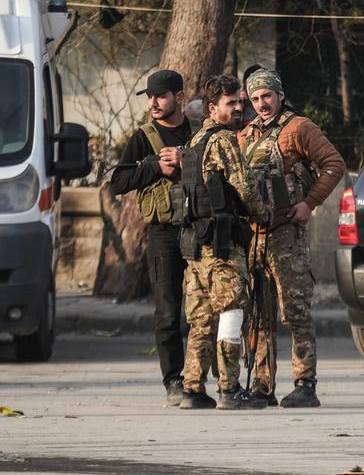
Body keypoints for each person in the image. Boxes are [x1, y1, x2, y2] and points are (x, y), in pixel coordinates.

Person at [241, 68, 346, 408]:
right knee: (259, 313)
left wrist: (309, 203)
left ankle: (305, 383)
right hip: (256, 237)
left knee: (295, 312)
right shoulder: (247, 134)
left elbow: (333, 164)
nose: (262, 104)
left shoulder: (299, 128)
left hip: (287, 235)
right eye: (255, 99)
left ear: (280, 95)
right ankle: (262, 384)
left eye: (267, 96)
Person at [177, 75, 271, 410]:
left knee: (201, 320)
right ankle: (230, 390)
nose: (238, 108)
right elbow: (243, 186)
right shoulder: (222, 141)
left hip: (195, 247)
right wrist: (265, 213)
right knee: (231, 311)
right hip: (220, 245)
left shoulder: (195, 141)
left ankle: (192, 388)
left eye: (240, 102)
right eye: (231, 103)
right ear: (212, 107)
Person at [110, 69, 195, 406]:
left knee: (206, 308)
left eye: (160, 95)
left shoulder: (198, 133)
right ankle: (173, 381)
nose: (154, 103)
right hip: (162, 233)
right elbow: (118, 182)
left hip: (199, 229)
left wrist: (186, 160)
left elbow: (222, 172)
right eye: (150, 96)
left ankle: (208, 377)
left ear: (179, 97)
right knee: (167, 310)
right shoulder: (143, 137)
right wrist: (156, 168)